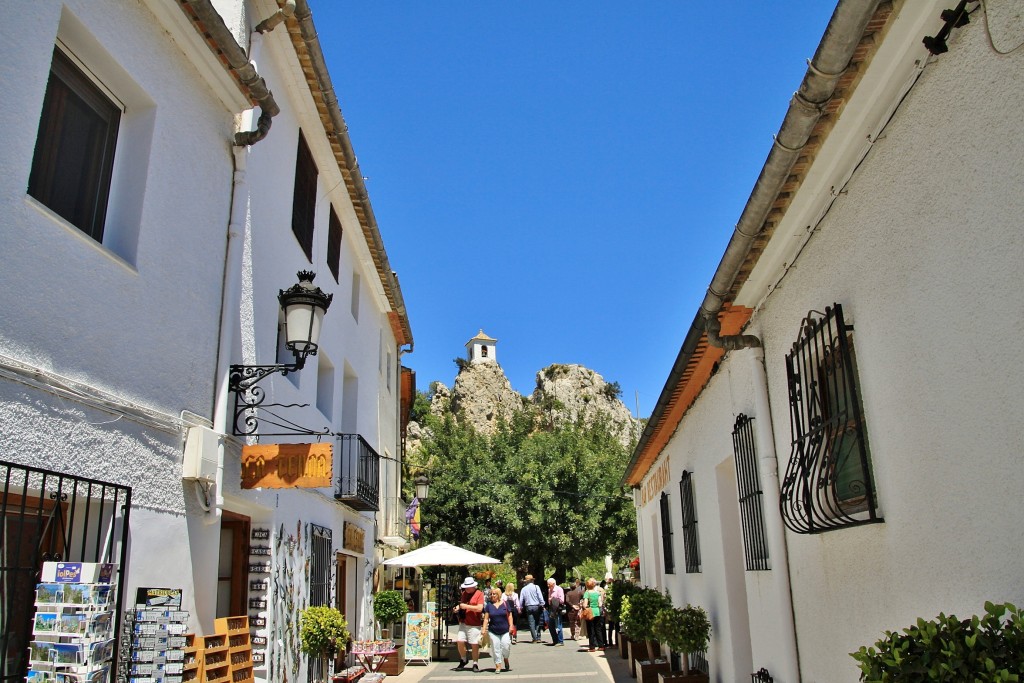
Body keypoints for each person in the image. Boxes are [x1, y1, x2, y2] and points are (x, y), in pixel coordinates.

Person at [453, 576, 485, 671]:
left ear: (473, 586)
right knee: (460, 641)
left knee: (474, 644)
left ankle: (475, 663)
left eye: (468, 587)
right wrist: (457, 608)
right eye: (465, 587)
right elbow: (462, 605)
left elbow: (479, 608)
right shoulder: (464, 594)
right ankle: (464, 659)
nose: (466, 589)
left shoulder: (479, 594)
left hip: (474, 623)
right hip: (463, 622)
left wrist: (466, 606)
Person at [482, 582, 514, 673]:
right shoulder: (489, 606)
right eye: (491, 594)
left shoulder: (505, 604)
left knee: (506, 646)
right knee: (495, 648)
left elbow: (510, 616)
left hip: (505, 630)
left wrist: (511, 626)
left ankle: (506, 658)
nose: (492, 595)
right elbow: (486, 619)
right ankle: (498, 665)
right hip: (493, 630)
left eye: (494, 594)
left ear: (499, 595)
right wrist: (484, 628)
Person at [582, 577, 606, 651]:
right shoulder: (597, 593)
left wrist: (583, 605)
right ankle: (601, 646)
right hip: (597, 612)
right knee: (598, 629)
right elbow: (600, 604)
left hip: (590, 612)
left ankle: (592, 647)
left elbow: (585, 604)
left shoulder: (587, 593)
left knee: (591, 630)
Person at [519, 574, 544, 643]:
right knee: (538, 621)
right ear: (532, 580)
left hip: (528, 607)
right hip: (537, 606)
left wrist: (520, 607)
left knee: (531, 623)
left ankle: (534, 638)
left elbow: (521, 600)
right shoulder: (536, 587)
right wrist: (542, 604)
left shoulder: (524, 589)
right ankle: (538, 637)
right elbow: (540, 596)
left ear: (526, 581)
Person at [546, 578, 565, 646]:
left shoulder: (559, 589)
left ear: (554, 584)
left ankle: (560, 641)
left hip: (557, 609)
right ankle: (555, 640)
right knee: (551, 625)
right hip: (551, 608)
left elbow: (562, 600)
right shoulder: (549, 590)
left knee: (558, 625)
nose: (548, 585)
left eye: (549, 584)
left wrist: (553, 599)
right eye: (547, 584)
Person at [603, 573, 618, 647]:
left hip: (612, 610)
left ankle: (612, 642)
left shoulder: (607, 590)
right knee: (614, 626)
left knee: (612, 627)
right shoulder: (608, 589)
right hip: (612, 610)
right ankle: (614, 642)